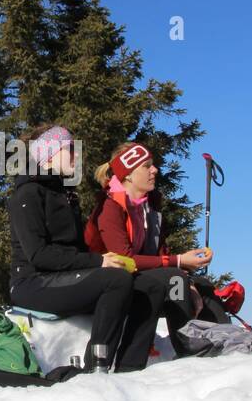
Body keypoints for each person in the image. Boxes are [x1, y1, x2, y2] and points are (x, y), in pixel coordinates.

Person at [7, 124, 167, 372]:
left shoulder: (65, 194)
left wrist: (105, 258)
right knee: (115, 281)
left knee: (151, 287)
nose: (77, 154)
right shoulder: (27, 194)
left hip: (63, 276)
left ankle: (130, 369)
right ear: (49, 154)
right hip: (32, 283)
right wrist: (99, 262)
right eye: (70, 148)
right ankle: (97, 368)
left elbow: (77, 250)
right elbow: (39, 255)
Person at [86, 142, 230, 355]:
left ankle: (228, 340)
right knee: (175, 280)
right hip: (114, 285)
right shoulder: (110, 207)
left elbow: (161, 254)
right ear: (129, 175)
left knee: (201, 285)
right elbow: (124, 258)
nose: (155, 170)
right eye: (147, 166)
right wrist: (179, 263)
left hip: (142, 279)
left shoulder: (149, 208)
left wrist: (189, 281)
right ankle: (188, 349)